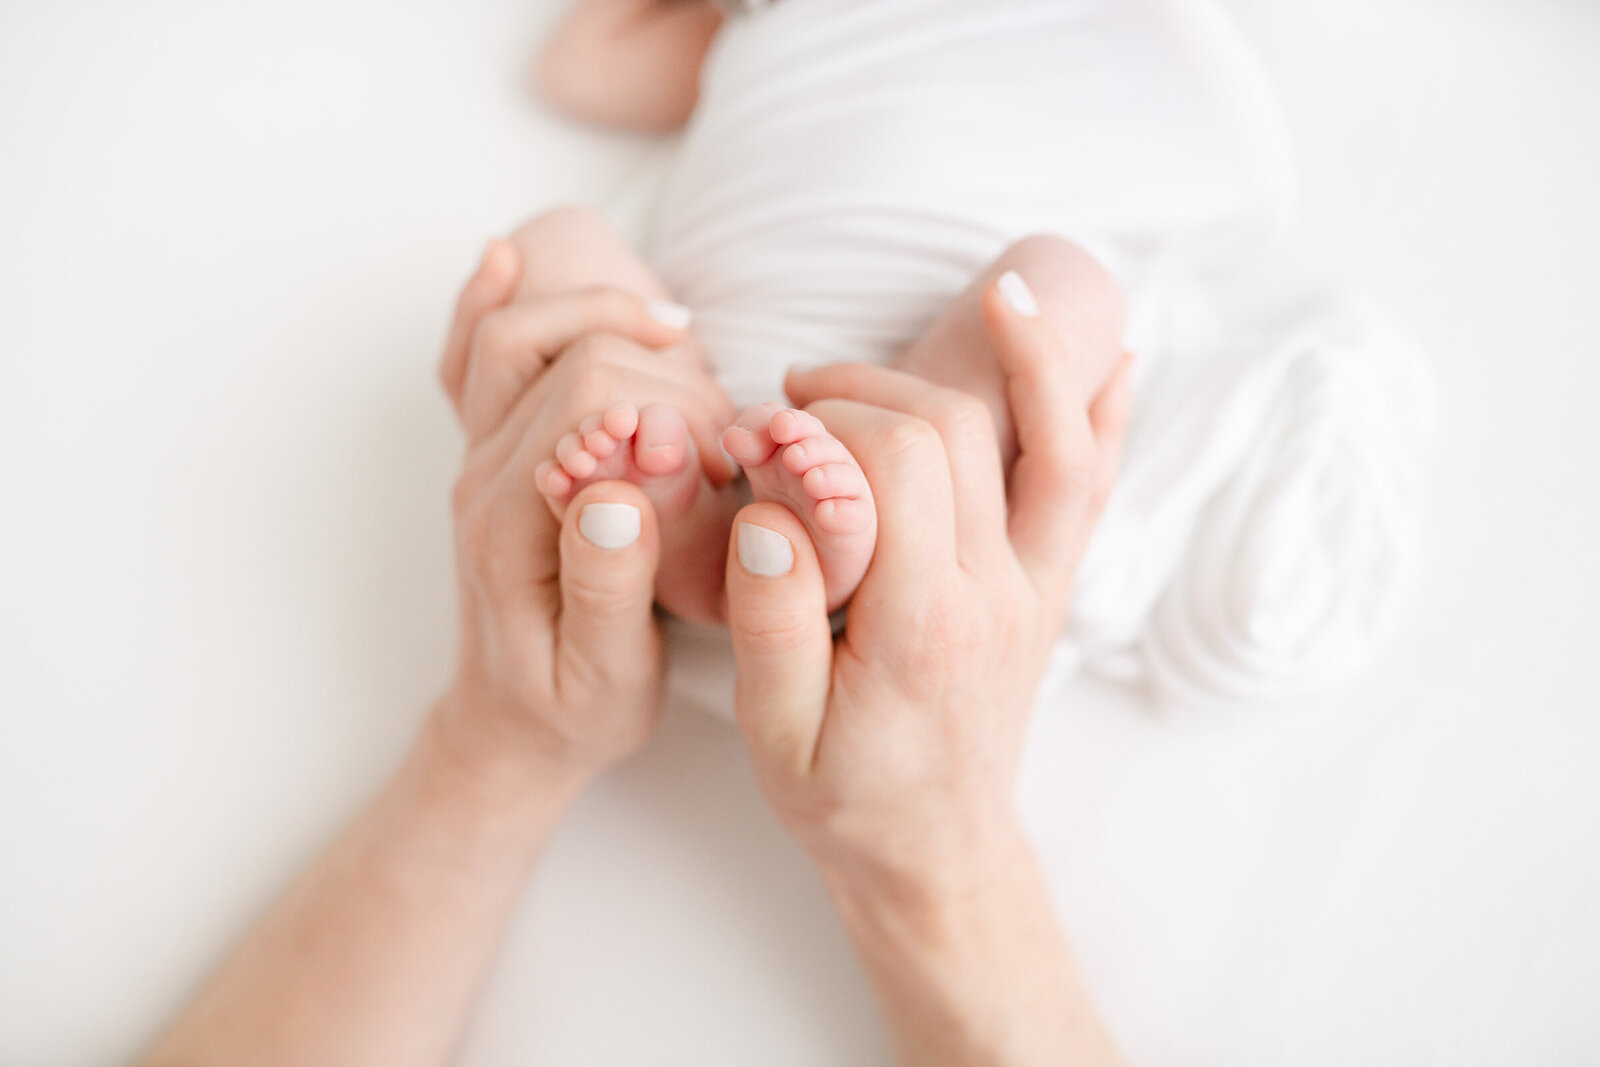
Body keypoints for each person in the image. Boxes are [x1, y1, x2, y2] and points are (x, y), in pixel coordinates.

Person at [138, 233, 1131, 1065]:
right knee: (553, 248)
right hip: (691, 363)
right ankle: (706, 520)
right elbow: (589, 60)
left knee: (1063, 288)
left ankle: (828, 521)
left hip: (886, 412)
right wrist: (499, 742)